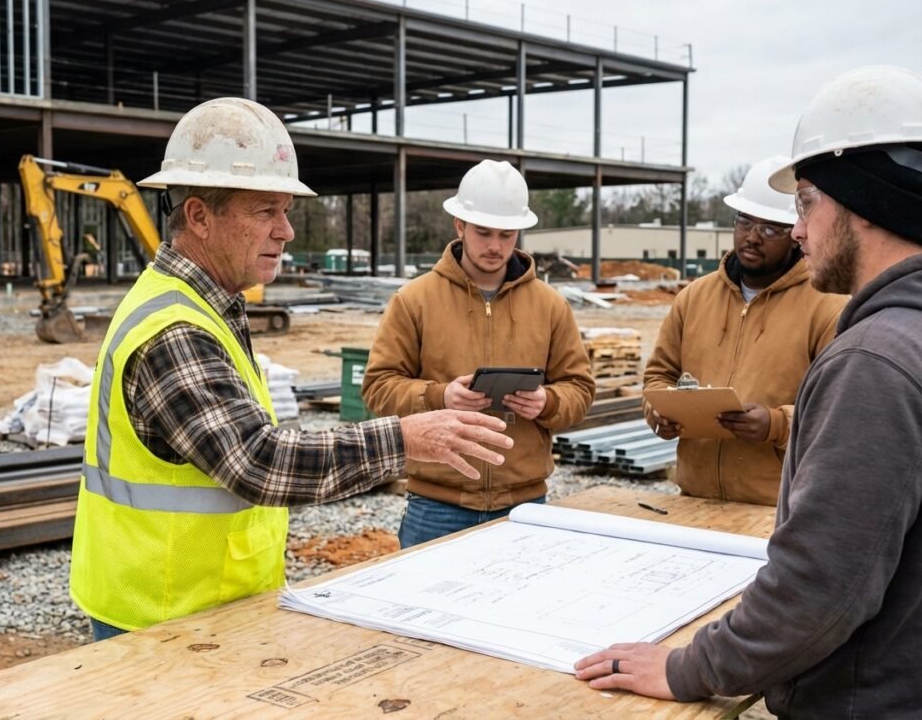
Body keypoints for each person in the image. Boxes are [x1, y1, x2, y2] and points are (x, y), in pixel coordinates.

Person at [68, 98, 514, 640]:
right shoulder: (175, 331)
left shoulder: (207, 305)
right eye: (265, 211)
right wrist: (404, 439)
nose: (286, 231)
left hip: (200, 608)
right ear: (199, 216)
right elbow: (257, 461)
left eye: (286, 211)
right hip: (160, 616)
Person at [575, 65, 922, 718]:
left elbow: (821, 590)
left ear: (863, 201)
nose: (794, 230)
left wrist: (689, 667)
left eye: (806, 202)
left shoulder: (875, 362)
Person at [361, 159, 595, 547]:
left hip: (524, 507)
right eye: (483, 232)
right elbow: (378, 388)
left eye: (506, 234)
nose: (494, 246)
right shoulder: (415, 300)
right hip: (437, 506)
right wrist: (441, 397)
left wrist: (547, 402)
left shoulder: (551, 306)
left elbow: (581, 390)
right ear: (460, 226)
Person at [643, 155, 846, 505]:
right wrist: (659, 412)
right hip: (694, 498)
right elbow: (658, 376)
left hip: (778, 506)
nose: (752, 237)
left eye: (770, 229)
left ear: (796, 233)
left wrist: (776, 424)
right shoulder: (694, 297)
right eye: (744, 222)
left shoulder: (826, 306)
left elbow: (840, 409)